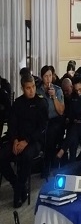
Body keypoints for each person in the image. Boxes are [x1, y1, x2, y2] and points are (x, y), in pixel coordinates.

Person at [0, 75, 47, 207]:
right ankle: (16, 184)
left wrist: (26, 141)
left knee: (25, 156)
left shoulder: (41, 103)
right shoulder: (18, 103)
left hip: (34, 141)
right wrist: (15, 140)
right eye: (28, 88)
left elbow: (42, 128)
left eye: (33, 87)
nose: (31, 90)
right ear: (22, 88)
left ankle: (19, 190)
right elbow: (12, 124)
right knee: (1, 156)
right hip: (17, 140)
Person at [56, 75, 81, 163]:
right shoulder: (73, 97)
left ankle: (63, 151)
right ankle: (72, 162)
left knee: (73, 131)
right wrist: (72, 118)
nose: (78, 92)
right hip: (76, 124)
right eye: (76, 90)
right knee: (73, 135)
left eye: (80, 89)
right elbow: (70, 112)